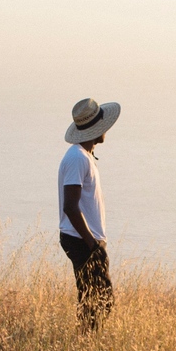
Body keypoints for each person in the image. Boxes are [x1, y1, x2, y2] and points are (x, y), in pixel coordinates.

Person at [58, 97, 120, 330]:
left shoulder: (83, 156)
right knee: (99, 299)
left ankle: (85, 343)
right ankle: (85, 343)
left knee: (93, 298)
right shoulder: (76, 158)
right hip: (82, 240)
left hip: (83, 239)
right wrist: (93, 246)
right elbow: (70, 206)